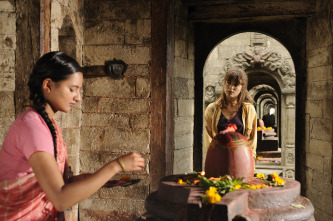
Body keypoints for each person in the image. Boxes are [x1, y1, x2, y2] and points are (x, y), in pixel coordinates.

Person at [0, 51, 145, 220]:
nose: (79, 98)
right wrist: (116, 165)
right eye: (73, 89)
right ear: (48, 85)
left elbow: (61, 184)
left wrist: (100, 179)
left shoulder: (48, 124)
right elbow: (61, 199)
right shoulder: (32, 126)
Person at [204, 69, 257, 157]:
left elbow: (252, 139)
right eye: (228, 82)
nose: (231, 88)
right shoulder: (212, 109)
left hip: (242, 157)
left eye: (235, 84)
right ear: (224, 84)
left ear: (242, 89)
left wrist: (249, 159)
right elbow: (208, 137)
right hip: (218, 157)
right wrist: (213, 157)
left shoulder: (248, 109)